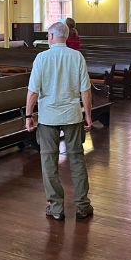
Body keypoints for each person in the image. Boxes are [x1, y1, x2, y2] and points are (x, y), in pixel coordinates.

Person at [25, 21, 93, 221]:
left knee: (48, 161)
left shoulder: (41, 58)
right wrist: (87, 115)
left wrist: (29, 116)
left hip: (48, 117)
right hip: (72, 115)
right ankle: (82, 205)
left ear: (52, 36)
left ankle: (56, 207)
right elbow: (85, 90)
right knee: (77, 159)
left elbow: (33, 91)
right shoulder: (76, 56)